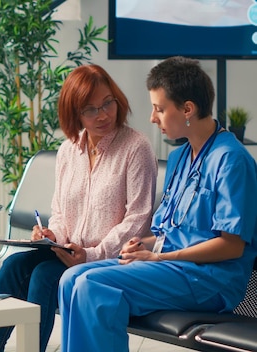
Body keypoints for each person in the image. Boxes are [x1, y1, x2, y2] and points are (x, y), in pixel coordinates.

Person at [58, 56, 257, 352]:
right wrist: (143, 245)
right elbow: (169, 232)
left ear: (187, 109)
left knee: (94, 285)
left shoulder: (231, 160)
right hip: (172, 269)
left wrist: (160, 258)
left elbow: (231, 246)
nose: (153, 118)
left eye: (159, 109)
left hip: (209, 279)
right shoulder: (179, 158)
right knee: (71, 278)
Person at [0, 64, 158, 352]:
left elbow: (139, 218)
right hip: (67, 252)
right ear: (75, 114)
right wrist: (51, 235)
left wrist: (92, 254)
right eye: (90, 109)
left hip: (107, 260)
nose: (103, 115)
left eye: (107, 103)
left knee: (44, 277)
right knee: (11, 266)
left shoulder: (136, 147)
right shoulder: (68, 150)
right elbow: (60, 211)